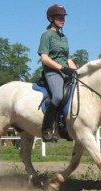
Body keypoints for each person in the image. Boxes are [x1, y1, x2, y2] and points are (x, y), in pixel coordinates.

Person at [38, 4, 77, 142]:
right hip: (52, 72)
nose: (62, 19)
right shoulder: (46, 35)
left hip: (65, 71)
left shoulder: (64, 37)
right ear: (51, 18)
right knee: (58, 96)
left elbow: (68, 58)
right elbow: (44, 58)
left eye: (63, 17)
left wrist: (76, 70)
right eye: (59, 17)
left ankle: (66, 124)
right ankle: (47, 129)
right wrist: (61, 68)